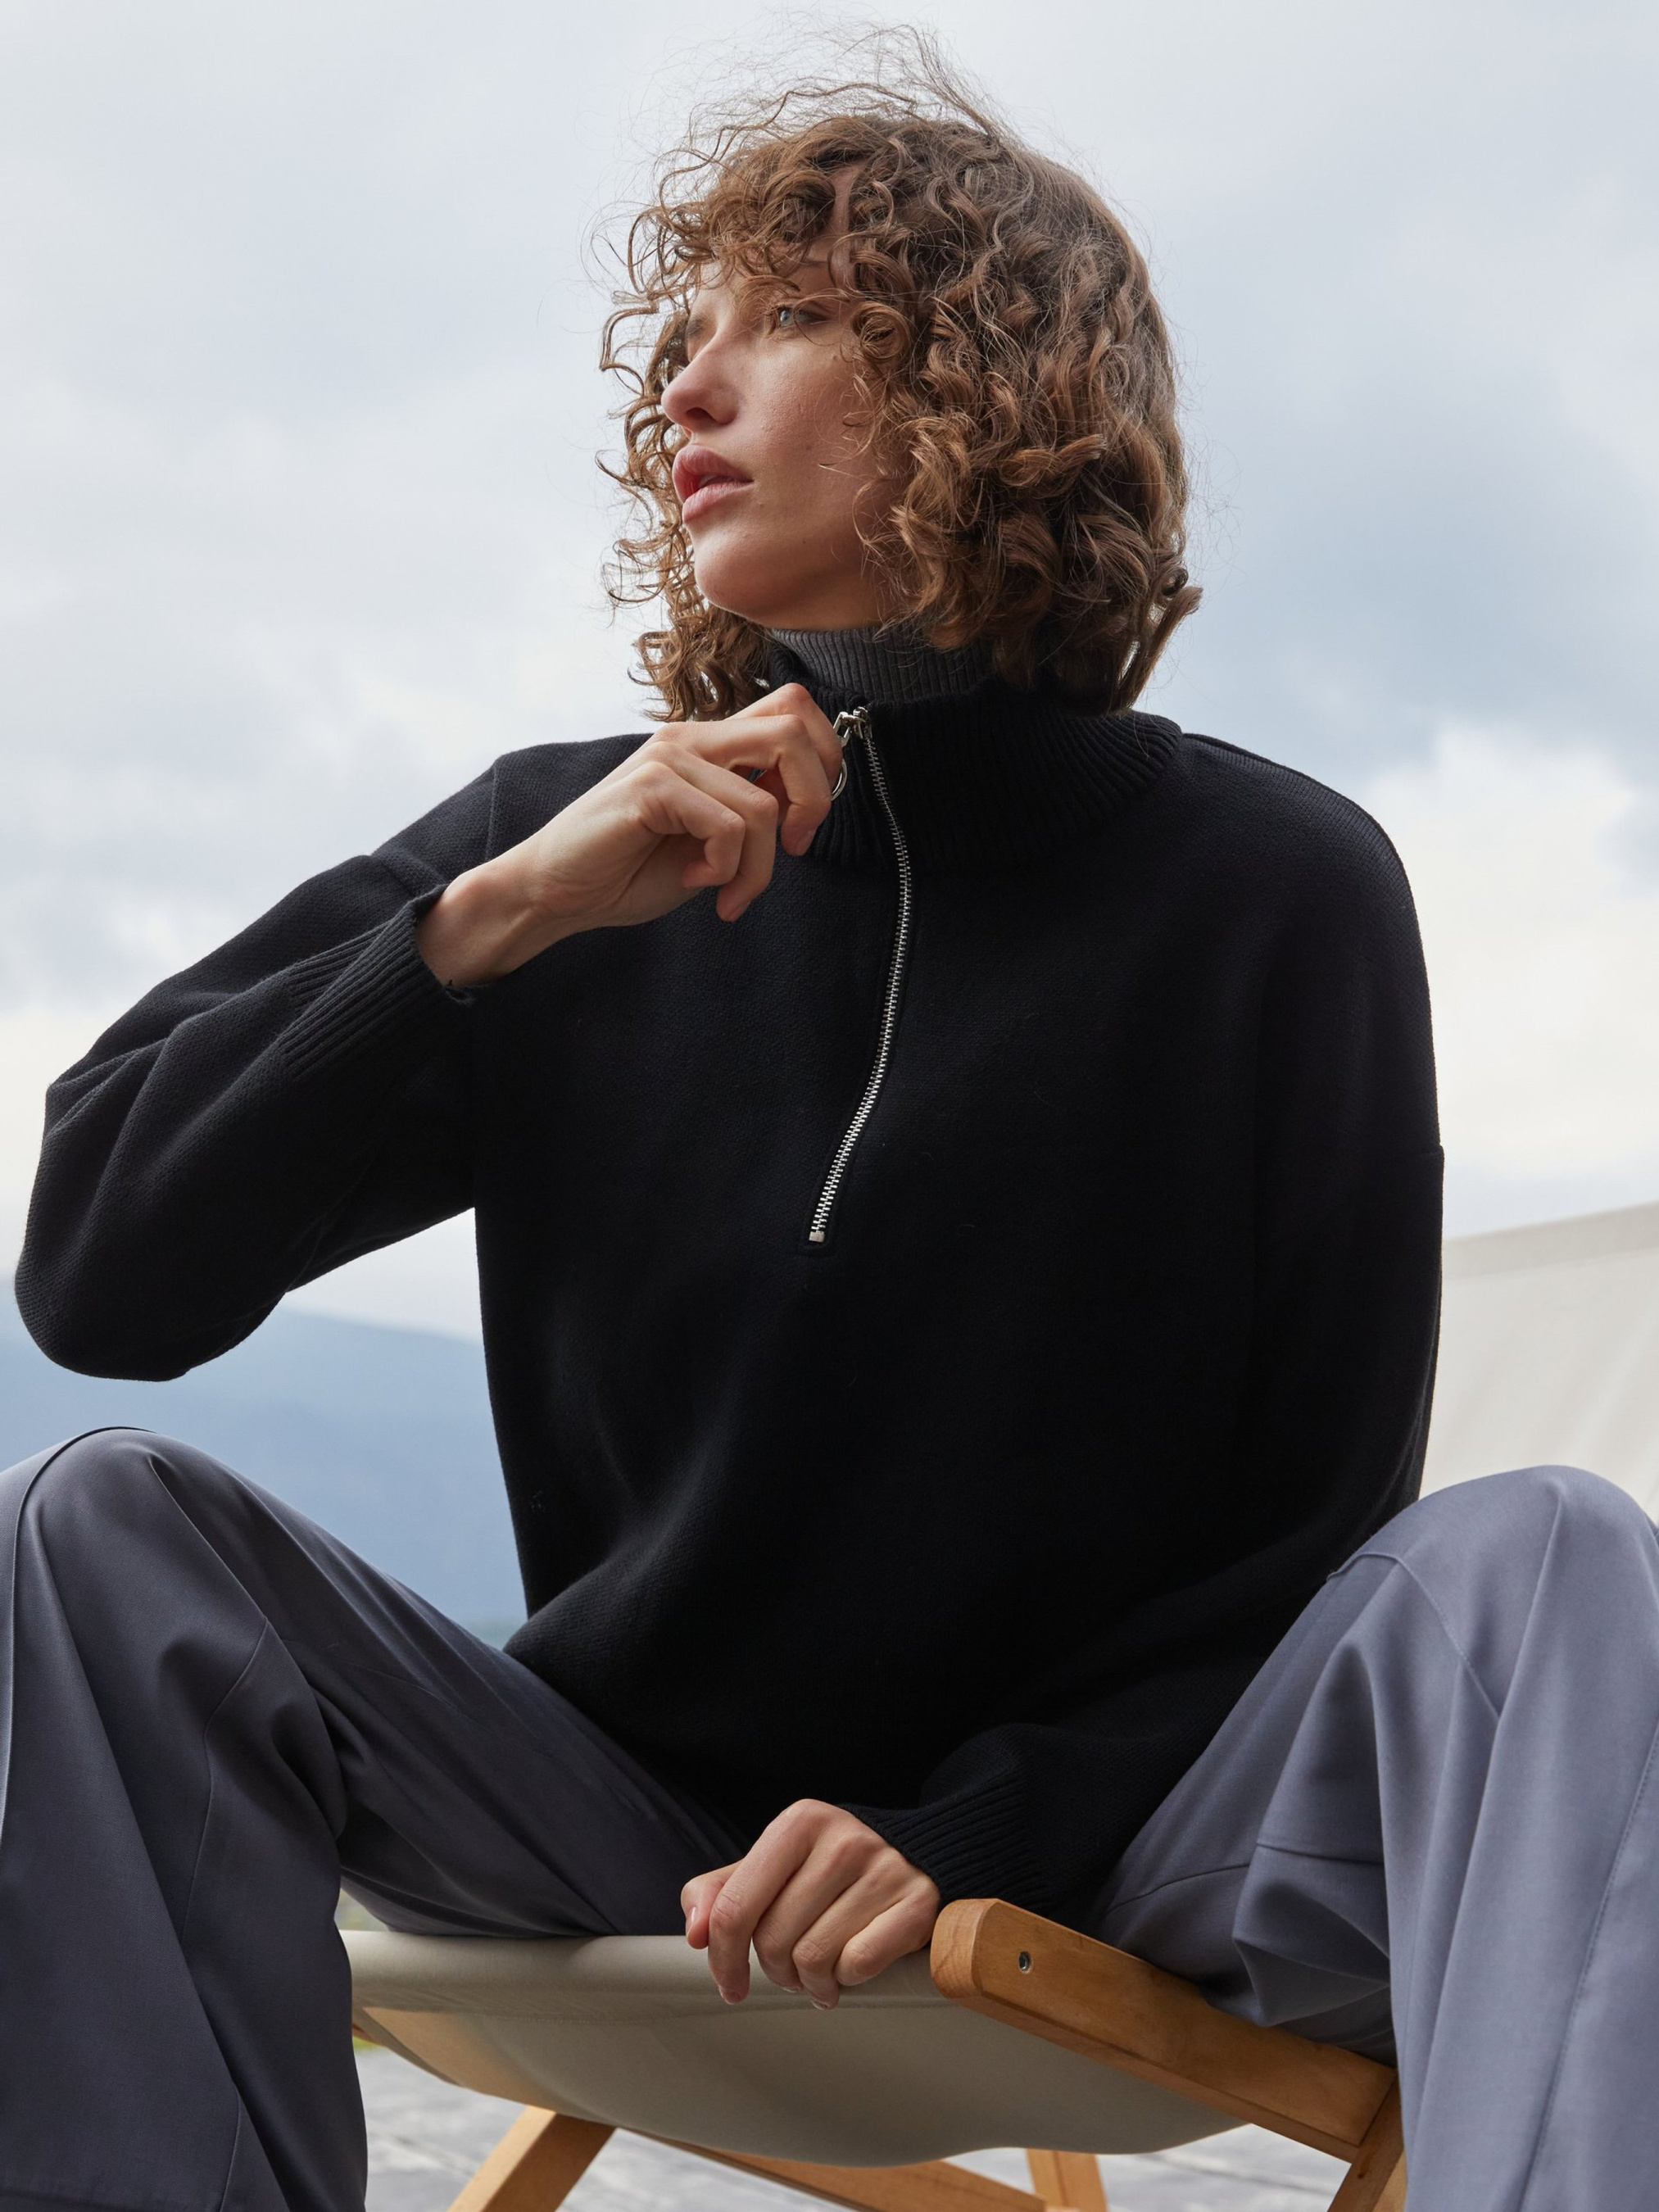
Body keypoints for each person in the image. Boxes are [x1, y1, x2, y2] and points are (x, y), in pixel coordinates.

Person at [7, 50, 1658, 2212]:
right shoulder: (571, 849)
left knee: (1549, 1553)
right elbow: (96, 1269)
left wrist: (969, 1828)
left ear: (994, 386)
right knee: (97, 1525)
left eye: (783, 320)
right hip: (629, 1836)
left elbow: (1306, 1529)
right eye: (676, 340)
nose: (682, 393)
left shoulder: (1280, 895)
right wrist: (482, 926)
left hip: (1112, 1858)